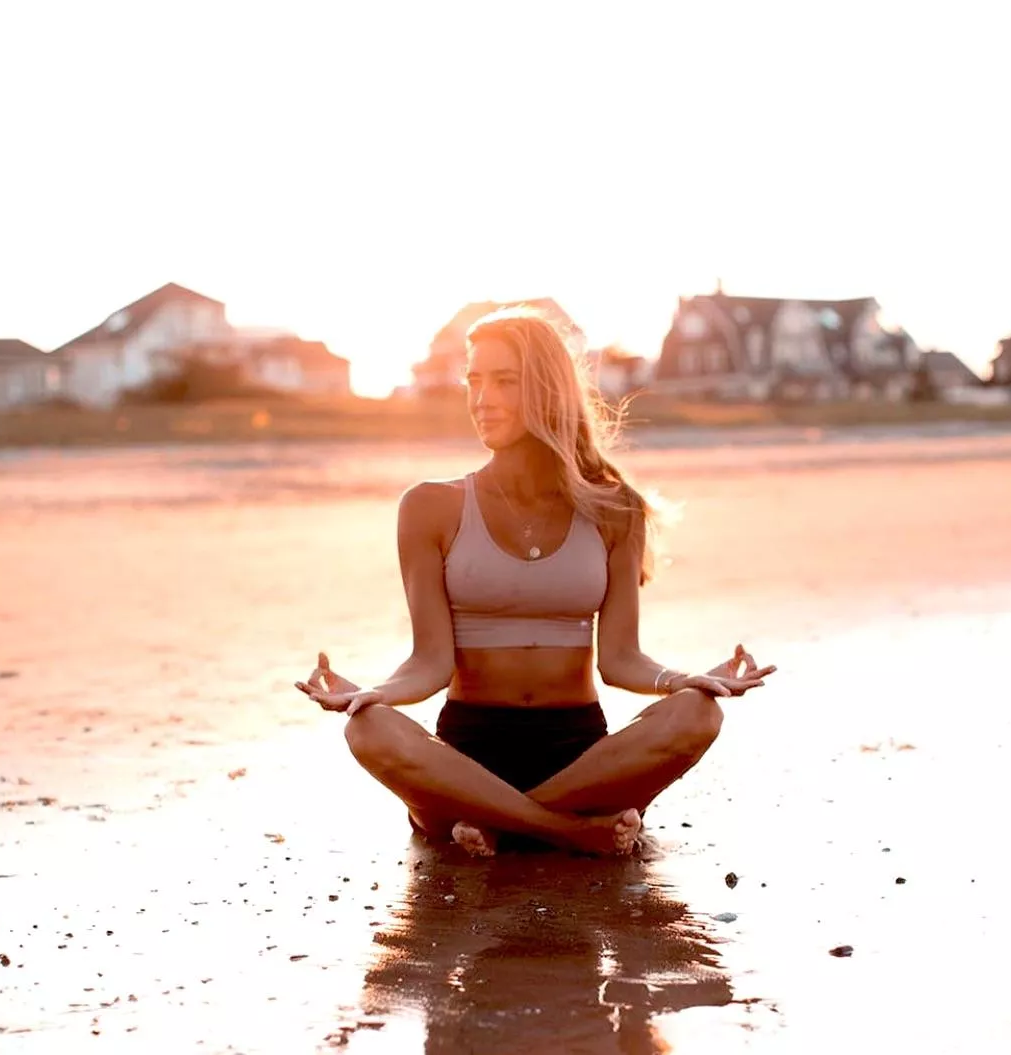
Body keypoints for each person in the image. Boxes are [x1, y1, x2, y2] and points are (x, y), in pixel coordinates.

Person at [296, 306, 776, 857]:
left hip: (578, 750)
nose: (481, 397)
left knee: (699, 713)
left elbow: (619, 659)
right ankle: (568, 829)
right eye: (474, 379)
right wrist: (375, 694)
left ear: (548, 390)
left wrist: (686, 679)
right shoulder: (430, 507)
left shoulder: (615, 509)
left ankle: (499, 821)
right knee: (367, 728)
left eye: (504, 380)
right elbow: (430, 662)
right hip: (467, 751)